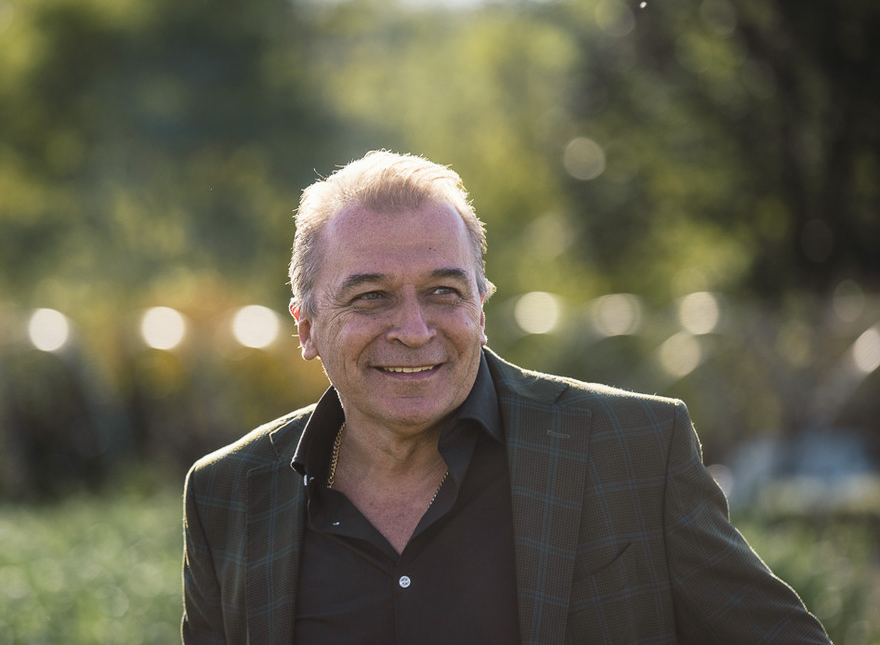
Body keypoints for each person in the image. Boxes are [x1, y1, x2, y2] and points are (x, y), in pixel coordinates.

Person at [181, 150, 831, 644]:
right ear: (305, 327)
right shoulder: (228, 496)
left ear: (481, 308)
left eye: (443, 292)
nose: (415, 330)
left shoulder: (633, 451)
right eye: (371, 296)